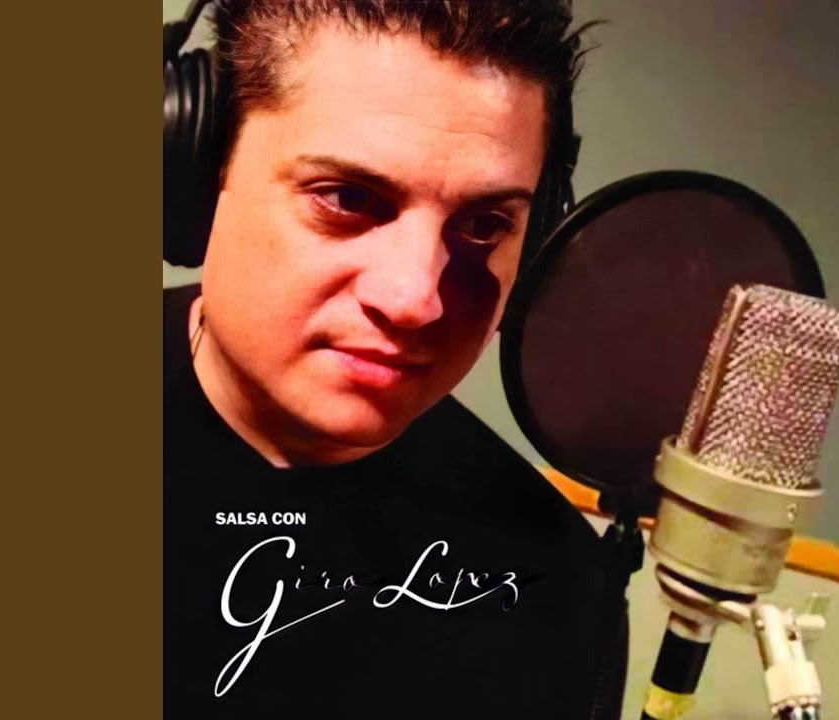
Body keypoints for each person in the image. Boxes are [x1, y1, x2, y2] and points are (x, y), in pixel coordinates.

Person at [163, 1, 624, 717]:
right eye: (347, 198)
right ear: (201, 176)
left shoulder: (557, 591)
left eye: (483, 224)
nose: (415, 300)